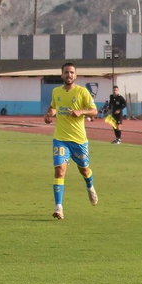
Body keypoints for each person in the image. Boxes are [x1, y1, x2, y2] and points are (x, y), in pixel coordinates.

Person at [44, 63, 100, 220]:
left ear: (75, 75)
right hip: (60, 139)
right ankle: (59, 207)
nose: (69, 75)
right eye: (66, 72)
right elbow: (54, 107)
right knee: (59, 171)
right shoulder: (56, 91)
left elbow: (94, 111)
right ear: (61, 75)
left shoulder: (82, 92)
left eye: (71, 72)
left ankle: (90, 186)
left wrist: (81, 111)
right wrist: (48, 114)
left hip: (78, 140)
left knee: (84, 170)